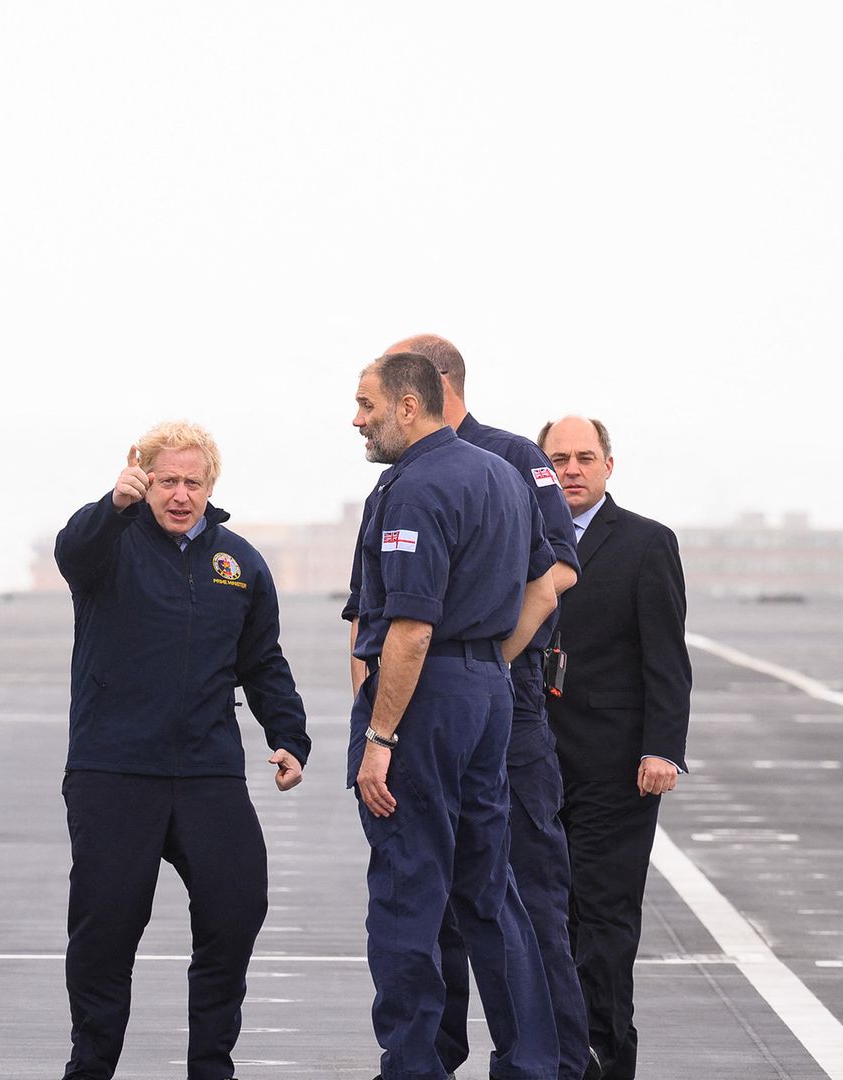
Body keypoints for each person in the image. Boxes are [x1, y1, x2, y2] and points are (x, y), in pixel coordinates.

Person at [53, 421, 310, 1080]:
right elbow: (70, 551)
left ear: (210, 487)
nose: (179, 494)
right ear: (142, 479)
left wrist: (288, 736)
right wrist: (112, 505)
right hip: (114, 771)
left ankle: (210, 1066)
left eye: (192, 482)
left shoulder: (239, 564)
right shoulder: (108, 546)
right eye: (166, 480)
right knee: (106, 932)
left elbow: (263, 660)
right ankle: (91, 1065)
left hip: (207, 772)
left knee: (237, 908)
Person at [345, 352, 559, 1080]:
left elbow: (408, 629)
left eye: (367, 404)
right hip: (488, 693)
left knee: (409, 887)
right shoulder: (501, 475)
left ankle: (412, 1067)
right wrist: (489, 662)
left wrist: (380, 737)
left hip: (424, 700)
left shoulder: (412, 489)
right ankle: (530, 1062)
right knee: (491, 887)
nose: (358, 420)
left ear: (410, 406)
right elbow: (546, 591)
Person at [386, 335, 588, 1080]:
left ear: (429, 386)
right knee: (431, 896)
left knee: (527, 892)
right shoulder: (406, 472)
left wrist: (490, 665)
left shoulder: (508, 455)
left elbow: (558, 569)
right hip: (435, 697)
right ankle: (434, 1057)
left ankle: (556, 1064)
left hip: (501, 691)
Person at [536, 416, 691, 1080]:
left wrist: (662, 749)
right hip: (533, 767)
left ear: (608, 466)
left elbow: (667, 658)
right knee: (546, 929)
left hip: (615, 772)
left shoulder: (646, 544)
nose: (571, 470)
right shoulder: (518, 537)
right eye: (558, 459)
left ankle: (604, 1063)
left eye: (584, 458)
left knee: (603, 927)